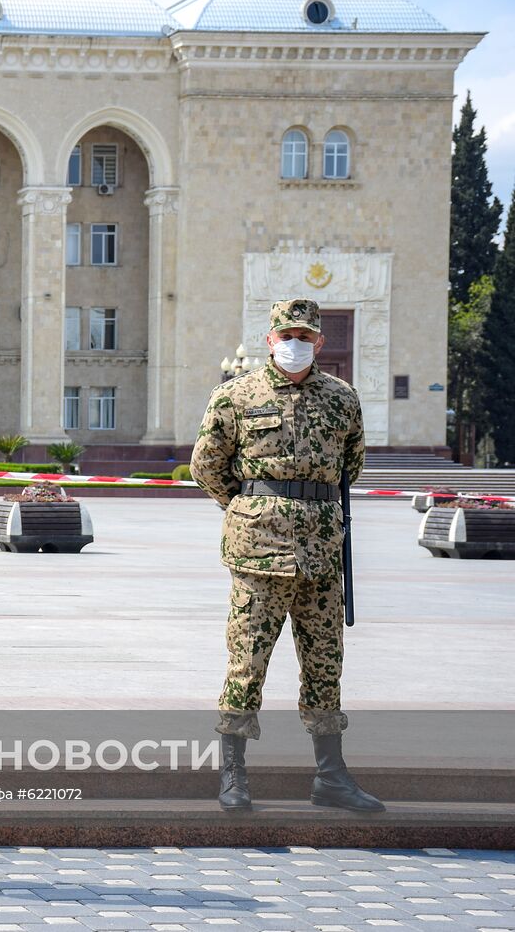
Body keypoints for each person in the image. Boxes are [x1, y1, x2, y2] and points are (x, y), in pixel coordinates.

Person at [191, 298, 383, 814]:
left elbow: (352, 466)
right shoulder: (235, 395)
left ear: (319, 342)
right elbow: (207, 465)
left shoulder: (342, 398)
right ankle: (233, 774)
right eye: (286, 335)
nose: (295, 343)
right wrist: (253, 504)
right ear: (270, 340)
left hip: (322, 552)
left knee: (325, 663)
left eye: (305, 335)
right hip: (260, 551)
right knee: (248, 659)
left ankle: (331, 777)